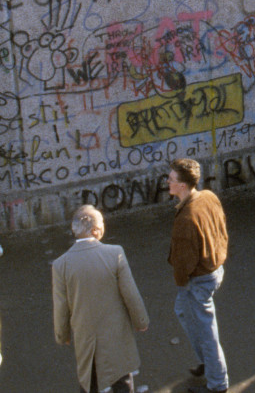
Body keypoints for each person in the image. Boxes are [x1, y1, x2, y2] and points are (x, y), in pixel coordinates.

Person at [52, 205, 149, 393]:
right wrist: (141, 320)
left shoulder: (60, 265)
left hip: (85, 336)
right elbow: (130, 293)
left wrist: (62, 335)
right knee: (122, 379)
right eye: (102, 224)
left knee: (90, 381)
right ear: (96, 230)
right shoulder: (115, 254)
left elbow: (61, 306)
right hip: (116, 333)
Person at [167, 158, 228, 393]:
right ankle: (209, 364)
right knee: (182, 310)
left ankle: (218, 383)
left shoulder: (185, 219)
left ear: (182, 185)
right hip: (214, 269)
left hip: (198, 280)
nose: (168, 182)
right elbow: (222, 228)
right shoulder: (209, 197)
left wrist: (182, 282)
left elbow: (183, 263)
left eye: (171, 179)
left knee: (207, 334)